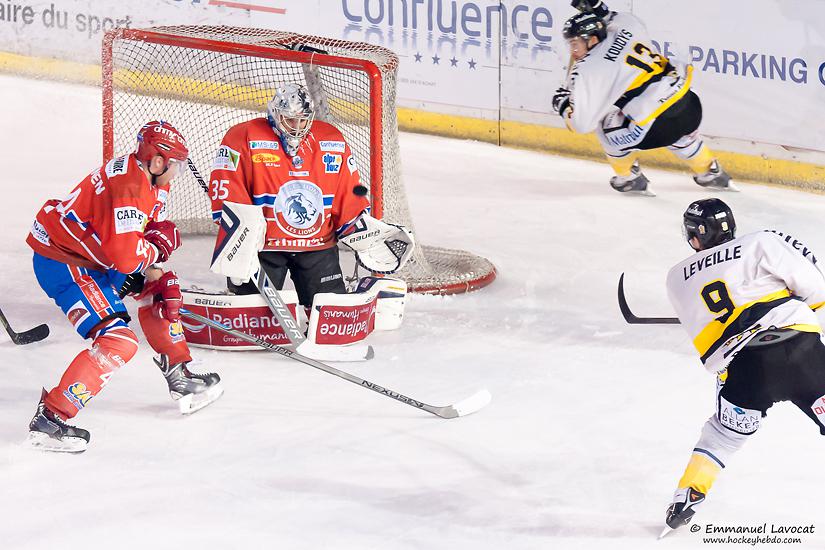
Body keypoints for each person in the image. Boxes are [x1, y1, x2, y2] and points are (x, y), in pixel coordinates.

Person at [25, 120, 223, 453]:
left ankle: (180, 376)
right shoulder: (130, 187)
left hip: (93, 253)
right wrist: (157, 250)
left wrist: (157, 270)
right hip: (64, 260)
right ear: (157, 161)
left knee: (161, 287)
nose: (176, 173)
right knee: (119, 342)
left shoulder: (149, 177)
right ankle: (51, 418)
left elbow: (139, 239)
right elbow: (127, 258)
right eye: (174, 165)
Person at [662, 198, 825, 534]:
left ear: (694, 235)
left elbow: (709, 350)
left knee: (723, 435)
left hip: (746, 370)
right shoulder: (761, 241)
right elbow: (816, 291)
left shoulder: (676, 278)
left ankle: (688, 494)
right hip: (800, 350)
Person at [208, 82, 411, 309]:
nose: (296, 127)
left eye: (302, 120)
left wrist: (359, 227)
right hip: (263, 248)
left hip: (318, 247)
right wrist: (241, 233)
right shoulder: (243, 136)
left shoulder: (331, 140)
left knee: (332, 312)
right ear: (275, 114)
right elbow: (227, 185)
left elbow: (347, 189)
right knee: (253, 313)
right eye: (289, 119)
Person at [552, 0, 736, 196]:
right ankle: (709, 170)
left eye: (575, 44)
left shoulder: (590, 70)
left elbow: (581, 124)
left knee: (605, 124)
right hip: (690, 106)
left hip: (659, 126)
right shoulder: (627, 26)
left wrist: (563, 104)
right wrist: (598, 8)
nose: (573, 51)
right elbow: (613, 17)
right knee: (667, 120)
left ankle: (628, 177)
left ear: (593, 39)